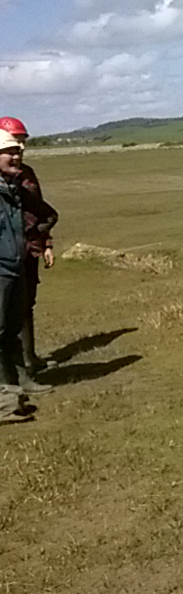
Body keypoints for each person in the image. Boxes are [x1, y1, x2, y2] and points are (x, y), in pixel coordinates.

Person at [0, 116, 58, 382]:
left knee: (25, 305)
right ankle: (13, 375)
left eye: (22, 144)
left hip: (28, 248)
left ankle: (28, 359)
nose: (20, 150)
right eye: (14, 144)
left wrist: (45, 242)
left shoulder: (26, 174)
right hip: (6, 253)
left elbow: (43, 210)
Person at [0, 130, 36, 422]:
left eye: (19, 150)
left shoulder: (11, 187)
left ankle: (13, 392)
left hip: (14, 266)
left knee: (9, 332)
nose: (17, 155)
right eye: (10, 151)